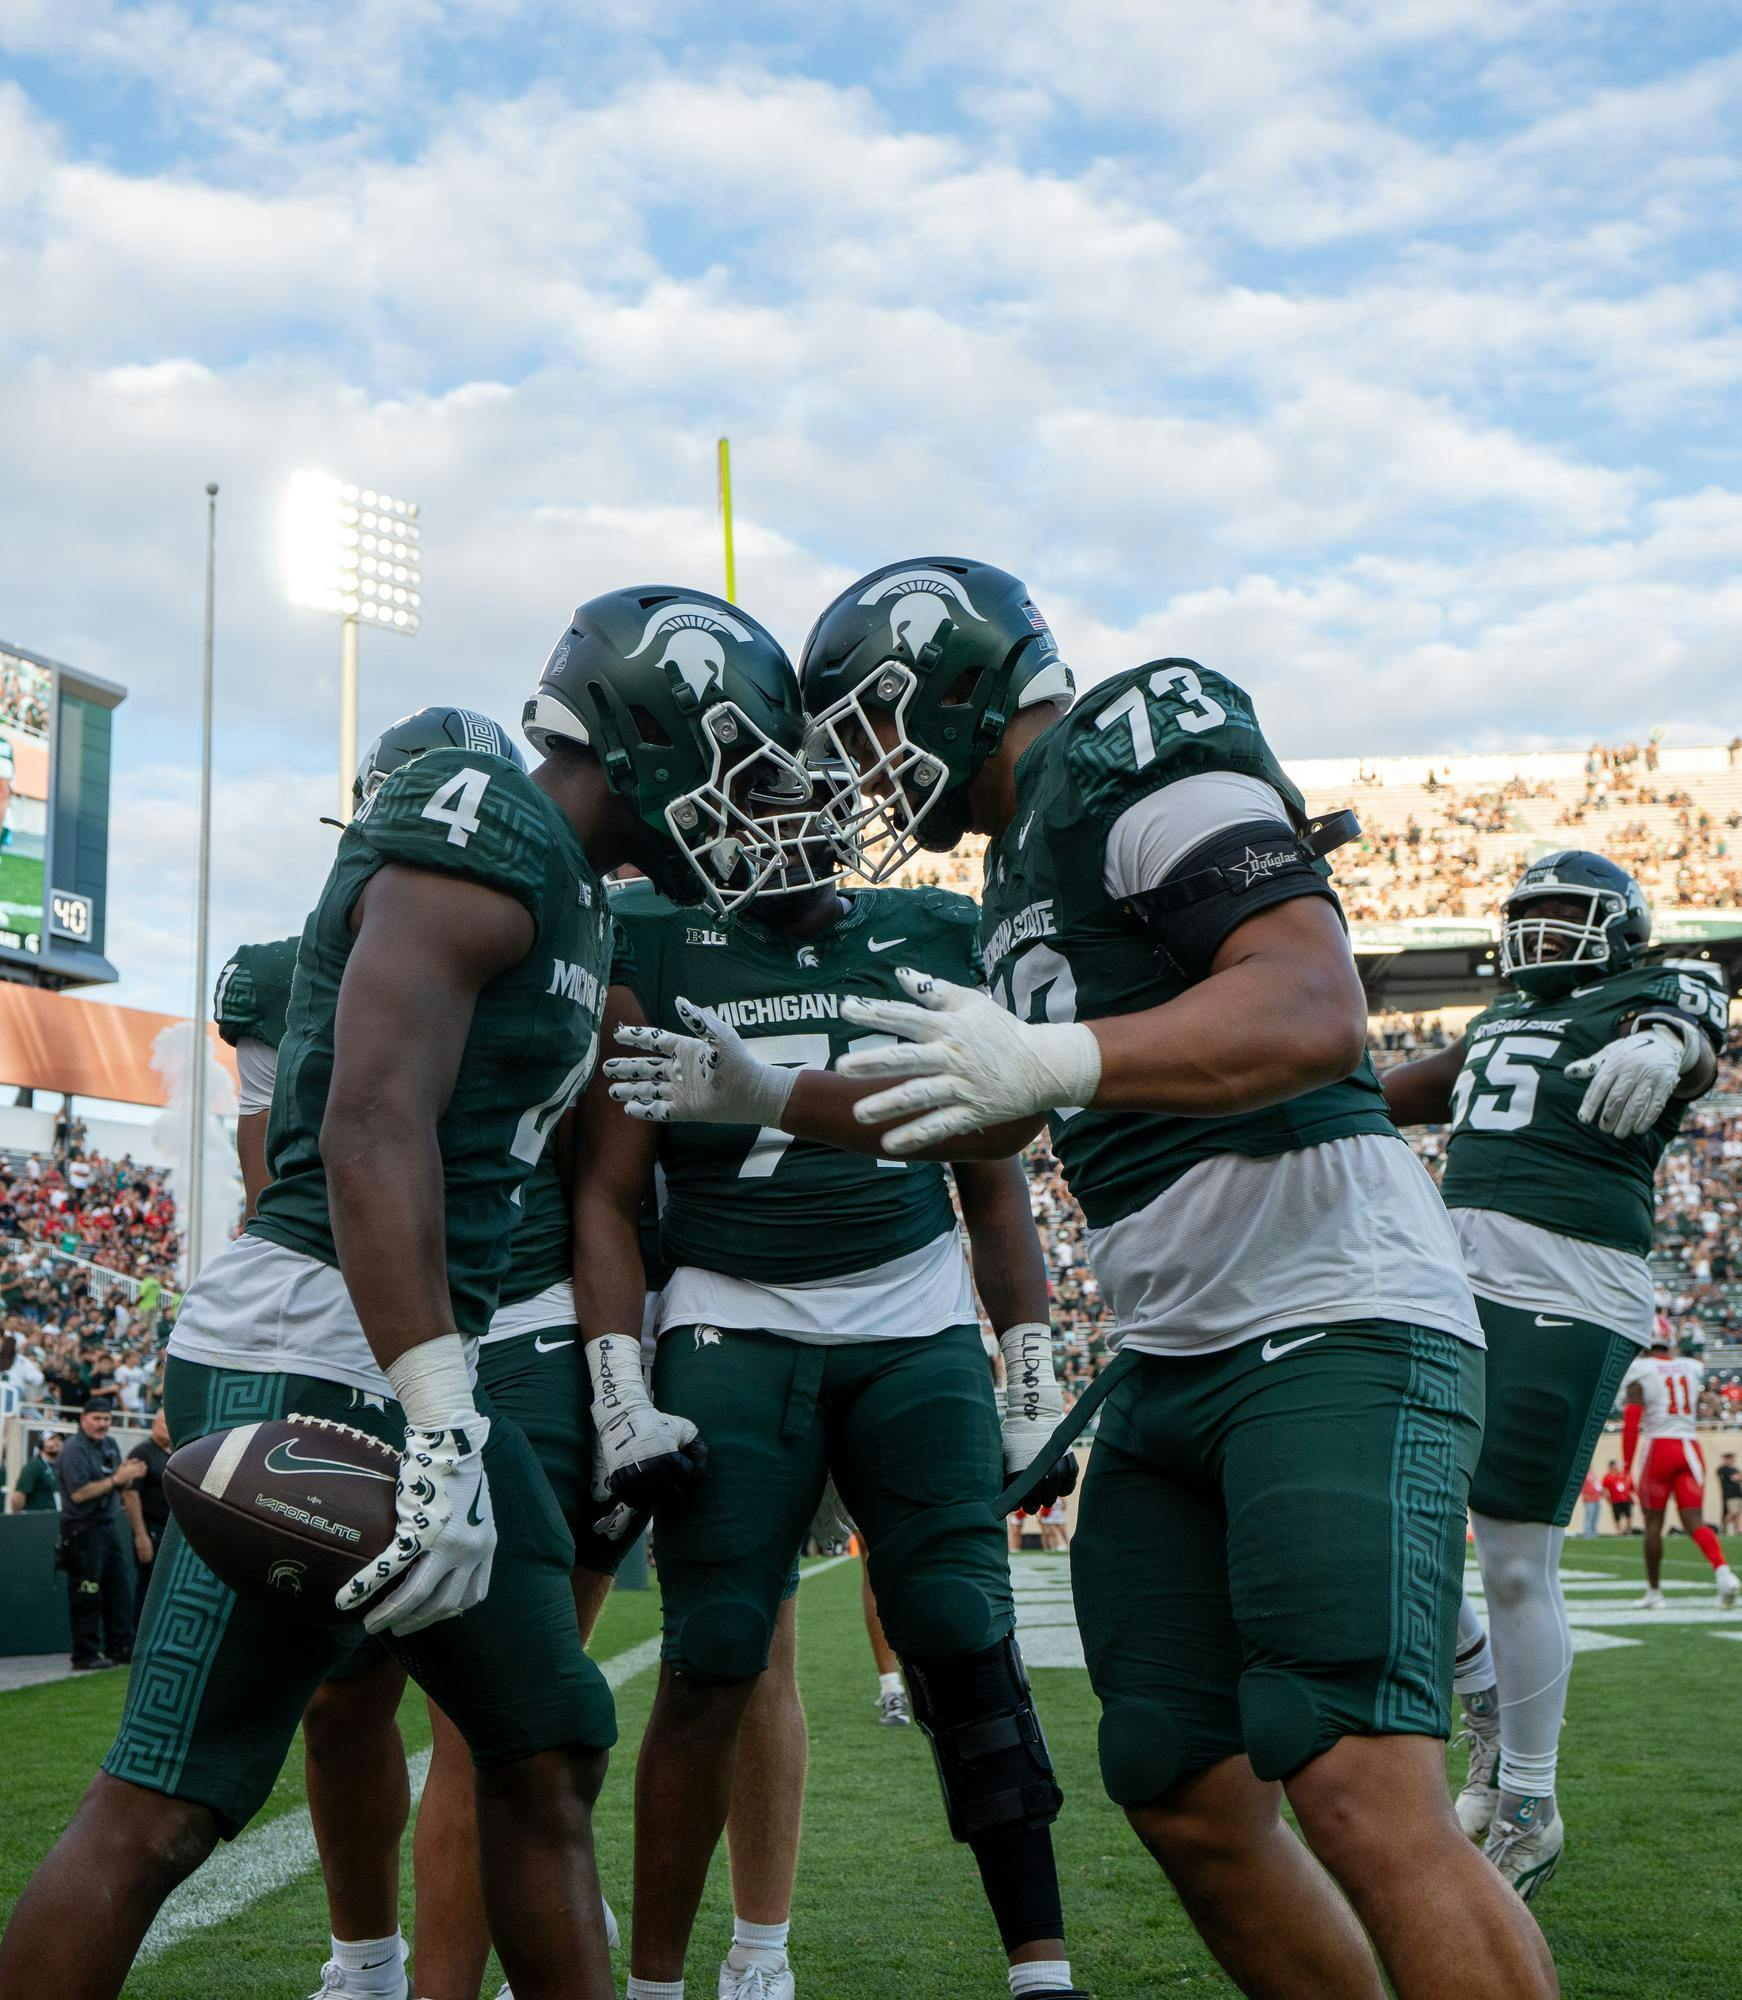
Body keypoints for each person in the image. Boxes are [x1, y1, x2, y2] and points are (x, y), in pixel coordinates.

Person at [786, 558, 1555, 2000]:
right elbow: (1000, 1111)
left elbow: (1313, 1007)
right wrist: (755, 1096)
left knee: (1351, 1782)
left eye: (868, 731)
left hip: (1331, 1308)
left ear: (945, 684)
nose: (869, 776)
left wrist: (1059, 1055)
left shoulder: (1127, 748)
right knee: (1178, 1782)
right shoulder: (1014, 874)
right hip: (1174, 1345)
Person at [0, 599, 787, 2000]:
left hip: (409, 1357)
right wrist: (437, 1415)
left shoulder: (570, 891)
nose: (755, 807)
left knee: (546, 1747)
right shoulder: (479, 826)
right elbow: (369, 1123)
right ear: (654, 733)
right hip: (314, 1347)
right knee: (167, 1803)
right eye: (744, 762)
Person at [592, 704, 1086, 2000]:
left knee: (961, 1634)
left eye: (802, 791)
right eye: (749, 796)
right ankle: (655, 1981)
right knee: (711, 1653)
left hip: (910, 1315)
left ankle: (1041, 1969)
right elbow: (608, 1185)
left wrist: (1027, 1368)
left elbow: (990, 1173)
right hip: (730, 1313)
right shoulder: (653, 936)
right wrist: (614, 1381)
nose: (783, 818)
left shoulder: (923, 928)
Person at [1383, 852, 1726, 1897]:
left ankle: (1528, 1799)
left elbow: (1699, 1009)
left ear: (1620, 925)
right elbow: (1385, 1091)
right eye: (1524, 910)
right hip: (1453, 1275)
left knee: (1514, 1557)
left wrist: (1670, 1041)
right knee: (1388, 1505)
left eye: (1563, 913)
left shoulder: (1648, 993)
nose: (1539, 931)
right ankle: (1483, 1695)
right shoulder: (1491, 1019)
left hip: (1564, 1283)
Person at [1622, 1334, 1739, 1609]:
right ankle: (1724, 1573)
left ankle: (1654, 1592)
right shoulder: (1691, 1365)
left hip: (1659, 1447)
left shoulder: (1640, 1369)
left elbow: (1630, 1423)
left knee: (1653, 1524)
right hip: (1690, 1447)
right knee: (1695, 1522)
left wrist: (1626, 1467)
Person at [54, 1399, 143, 1670]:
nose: (103, 1424)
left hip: (106, 1526)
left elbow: (120, 1483)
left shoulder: (110, 1445)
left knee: (119, 1590)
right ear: (83, 1419)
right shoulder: (73, 1449)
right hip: (81, 1529)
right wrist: (117, 1480)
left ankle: (120, 1647)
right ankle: (85, 1654)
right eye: (97, 1418)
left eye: (107, 1419)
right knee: (87, 1591)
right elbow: (79, 1493)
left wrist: (130, 1476)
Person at [121, 1407, 171, 1627]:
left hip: (169, 1529)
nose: (169, 1428)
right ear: (155, 1423)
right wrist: (141, 1536)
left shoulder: (172, 1452)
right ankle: (138, 1636)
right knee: (150, 1584)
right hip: (152, 1527)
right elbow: (130, 1494)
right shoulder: (142, 1452)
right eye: (165, 1422)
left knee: (164, 1585)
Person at [9, 1429, 61, 1512]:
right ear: (41, 1444)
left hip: (54, 1518)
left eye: (58, 1439)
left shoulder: (57, 1467)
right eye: (51, 1439)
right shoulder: (34, 1465)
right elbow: (17, 1498)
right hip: (37, 1520)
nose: (57, 1442)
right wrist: (18, 1520)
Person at [1601, 1460, 1636, 1533]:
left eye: (1616, 1466)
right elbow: (1604, 1489)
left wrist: (1631, 1496)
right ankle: (1619, 1531)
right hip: (1615, 1501)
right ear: (1610, 1467)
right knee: (1617, 1517)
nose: (1615, 1468)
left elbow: (1629, 1486)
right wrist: (1608, 1499)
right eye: (1613, 1467)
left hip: (1625, 1499)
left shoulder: (1623, 1475)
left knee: (1628, 1515)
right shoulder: (1607, 1477)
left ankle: (1629, 1530)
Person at [1719, 1451, 1742, 1535]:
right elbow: (1735, 1478)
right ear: (1725, 1459)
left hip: (1738, 1494)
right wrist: (1737, 1477)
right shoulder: (1722, 1469)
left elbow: (1739, 1477)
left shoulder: (1735, 1469)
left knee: (1738, 1514)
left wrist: (1738, 1477)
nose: (1732, 1460)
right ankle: (1722, 1527)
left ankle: (1737, 1531)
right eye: (1730, 1458)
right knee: (1733, 1513)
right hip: (1730, 1495)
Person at [1577, 1471, 1603, 1539]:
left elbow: (1597, 1485)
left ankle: (1593, 1532)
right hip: (1589, 1500)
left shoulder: (1592, 1474)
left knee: (1595, 1517)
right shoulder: (1583, 1476)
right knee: (1589, 1517)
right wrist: (1584, 1496)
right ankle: (1587, 1533)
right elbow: (1581, 1487)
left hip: (1596, 1499)